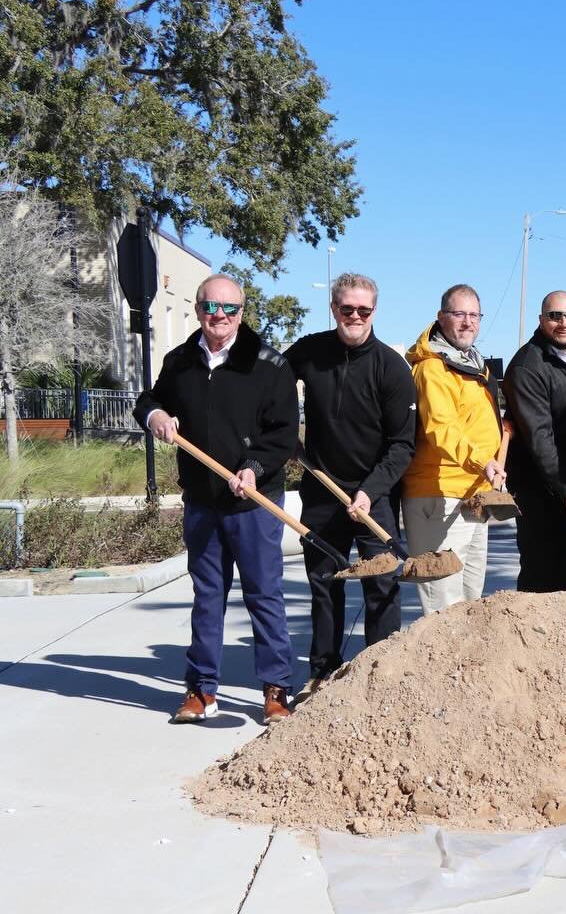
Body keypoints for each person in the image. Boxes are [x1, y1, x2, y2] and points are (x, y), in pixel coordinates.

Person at [134, 274, 299, 724]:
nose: (219, 317)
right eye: (210, 307)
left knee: (265, 595)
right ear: (197, 308)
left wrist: (254, 468)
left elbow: (284, 434)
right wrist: (156, 414)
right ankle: (201, 690)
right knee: (207, 597)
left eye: (228, 309)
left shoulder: (268, 365)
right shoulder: (180, 361)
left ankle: (276, 690)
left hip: (253, 504)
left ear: (242, 313)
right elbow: (147, 399)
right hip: (203, 504)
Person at [284, 273, 416, 689]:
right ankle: (322, 671)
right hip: (322, 489)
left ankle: (381, 673)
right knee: (324, 584)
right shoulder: (310, 351)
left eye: (364, 309)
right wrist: (283, 432)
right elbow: (267, 384)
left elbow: (402, 444)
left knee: (382, 584)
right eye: (347, 309)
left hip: (372, 493)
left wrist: (369, 491)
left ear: (374, 311)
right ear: (334, 309)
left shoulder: (391, 368)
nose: (355, 316)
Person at [402, 284, 504, 613]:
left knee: (470, 604)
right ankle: (438, 667)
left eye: (473, 315)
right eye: (458, 314)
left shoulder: (472, 365)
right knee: (443, 606)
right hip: (439, 493)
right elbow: (441, 429)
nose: (467, 322)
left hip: (474, 492)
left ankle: (465, 668)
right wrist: (482, 461)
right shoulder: (433, 368)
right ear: (441, 317)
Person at [502, 290, 566, 592]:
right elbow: (539, 438)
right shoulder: (527, 365)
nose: (564, 322)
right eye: (555, 315)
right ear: (542, 320)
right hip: (537, 484)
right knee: (542, 569)